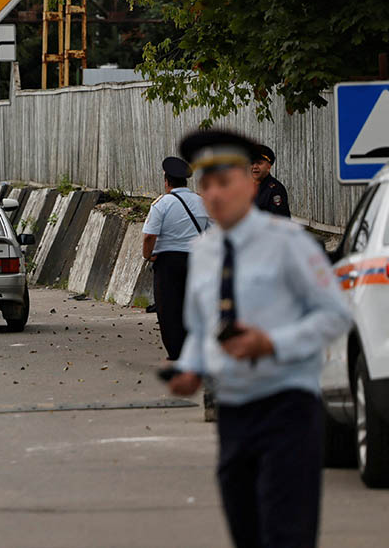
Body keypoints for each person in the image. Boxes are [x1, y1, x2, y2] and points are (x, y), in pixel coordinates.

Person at [166, 129, 352, 548]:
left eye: (224, 182)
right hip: (234, 412)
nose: (214, 194)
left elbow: (336, 314)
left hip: (287, 407)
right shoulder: (203, 253)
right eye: (205, 184)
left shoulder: (290, 243)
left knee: (286, 532)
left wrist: (273, 343)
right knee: (245, 529)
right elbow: (200, 327)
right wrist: (190, 368)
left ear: (250, 184)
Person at [142, 156, 209, 360]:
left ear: (166, 181)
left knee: (169, 307)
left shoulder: (161, 204)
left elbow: (149, 237)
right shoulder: (201, 202)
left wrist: (148, 255)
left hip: (168, 263)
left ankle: (177, 352)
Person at [252, 144, 291, 218]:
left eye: (259, 163)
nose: (255, 167)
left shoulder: (275, 190)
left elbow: (280, 222)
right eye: (252, 163)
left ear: (268, 167)